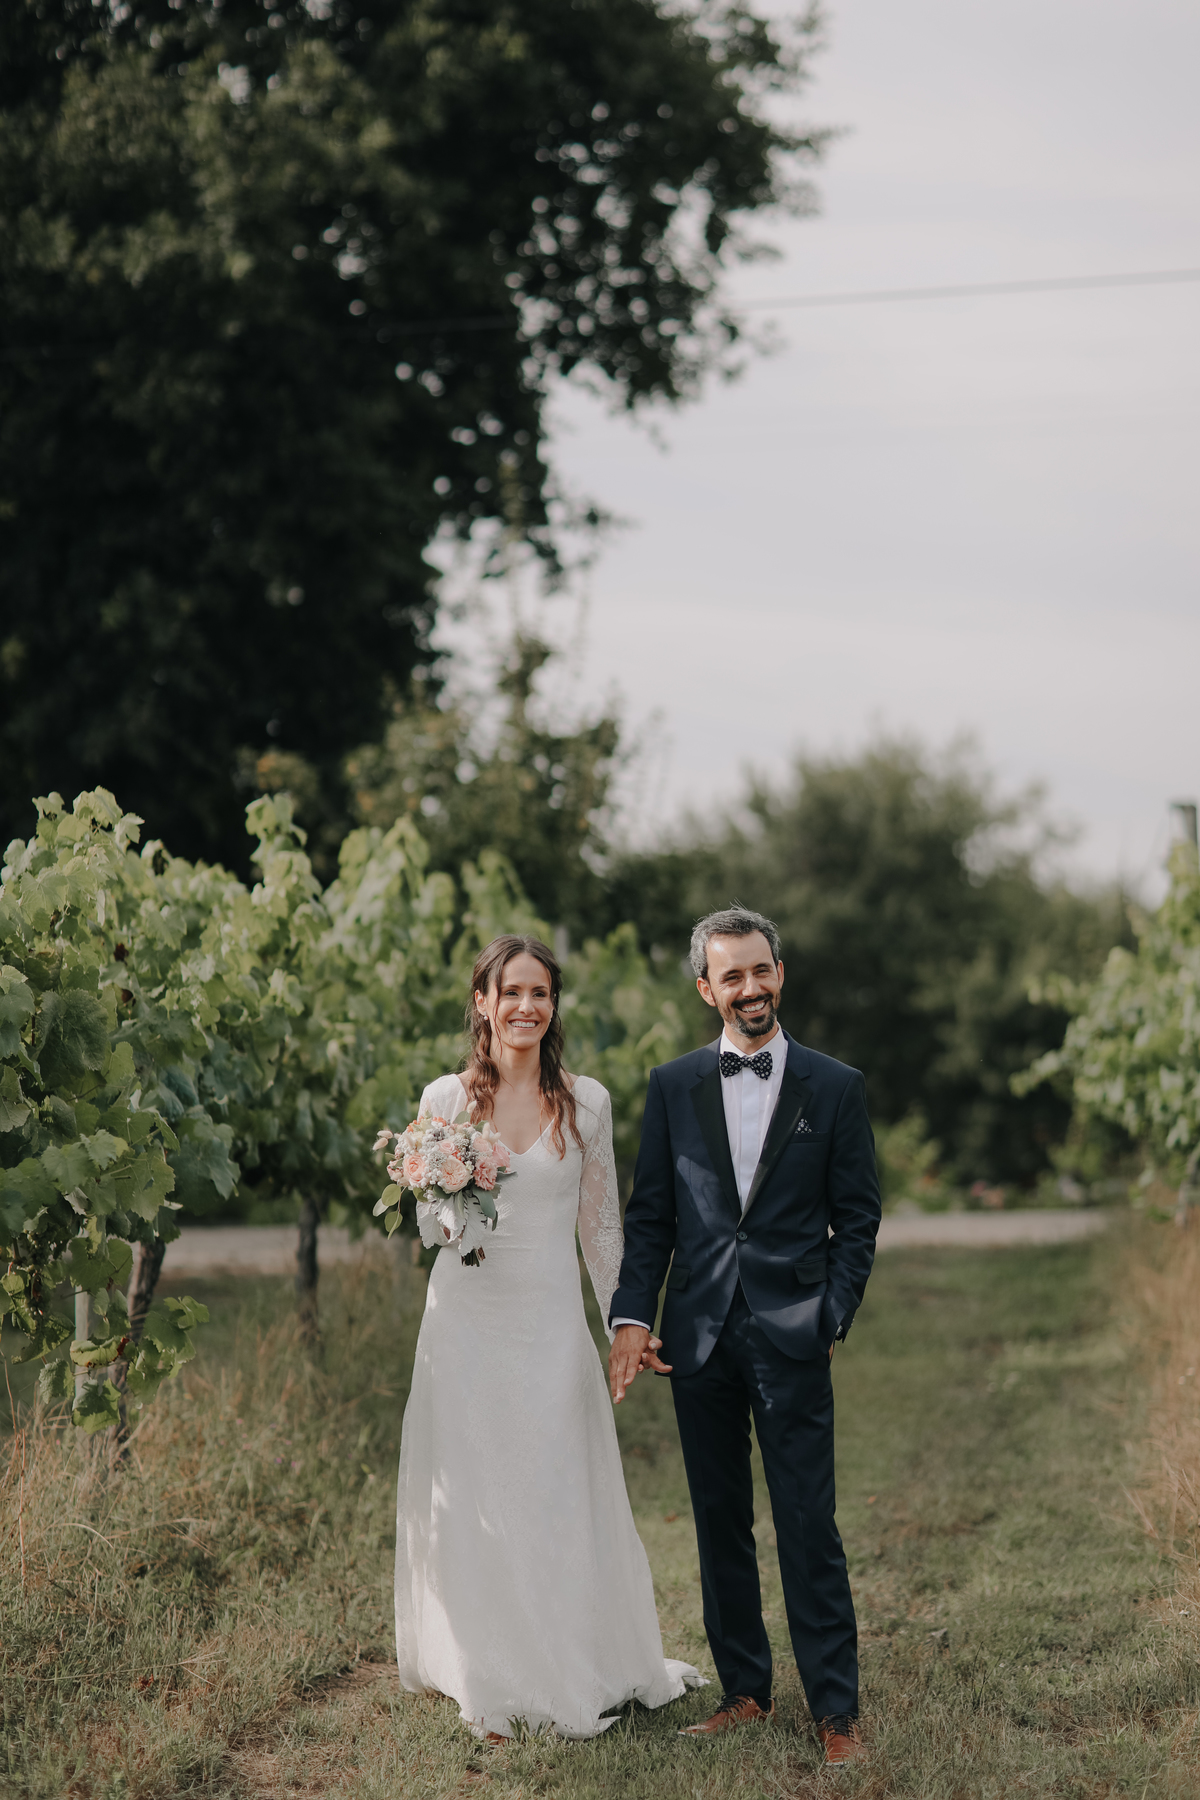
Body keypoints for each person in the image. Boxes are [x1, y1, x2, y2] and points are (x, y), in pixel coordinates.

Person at [394, 933, 701, 1741]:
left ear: (553, 1005)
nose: (527, 1006)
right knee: (479, 1493)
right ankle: (482, 1672)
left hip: (550, 1323)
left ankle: (572, 1654)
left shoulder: (587, 1102)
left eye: (541, 993)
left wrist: (624, 1325)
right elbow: (429, 1230)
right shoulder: (446, 1102)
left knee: (556, 1485)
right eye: (512, 992)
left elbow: (602, 1228)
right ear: (482, 1003)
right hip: (466, 1323)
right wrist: (449, 1188)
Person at [608, 907, 881, 1768]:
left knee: (808, 1521)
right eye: (732, 976)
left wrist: (831, 1313)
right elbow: (650, 1217)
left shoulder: (835, 1087)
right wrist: (634, 1315)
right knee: (720, 1519)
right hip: (698, 1337)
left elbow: (859, 1218)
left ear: (780, 973)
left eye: (761, 970)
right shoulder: (672, 1085)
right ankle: (746, 1692)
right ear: (706, 988)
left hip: (794, 1332)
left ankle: (836, 1712)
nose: (750, 988)